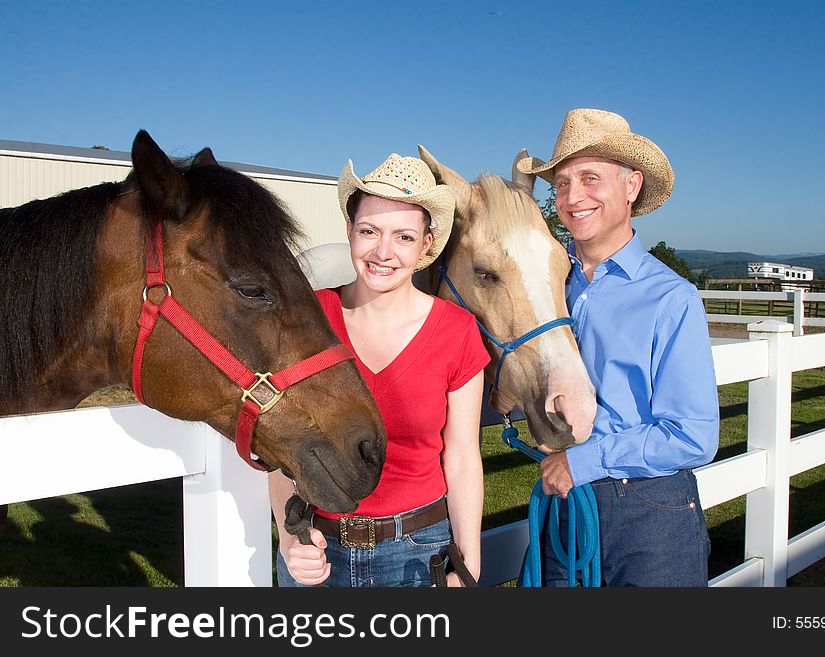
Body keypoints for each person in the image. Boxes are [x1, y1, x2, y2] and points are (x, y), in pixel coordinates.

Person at [514, 108, 720, 586]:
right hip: (565, 503)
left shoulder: (671, 298)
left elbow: (693, 435)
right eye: (561, 184)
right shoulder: (548, 281)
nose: (572, 197)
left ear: (631, 186)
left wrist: (581, 462)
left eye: (590, 178)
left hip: (649, 511)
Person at [269, 153, 490, 587]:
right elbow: (280, 448)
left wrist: (469, 563)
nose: (383, 252)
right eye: (369, 231)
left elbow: (462, 457)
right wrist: (288, 539)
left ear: (427, 244)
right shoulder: (305, 318)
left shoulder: (456, 331)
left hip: (418, 555)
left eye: (403, 236)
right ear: (350, 231)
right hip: (316, 552)